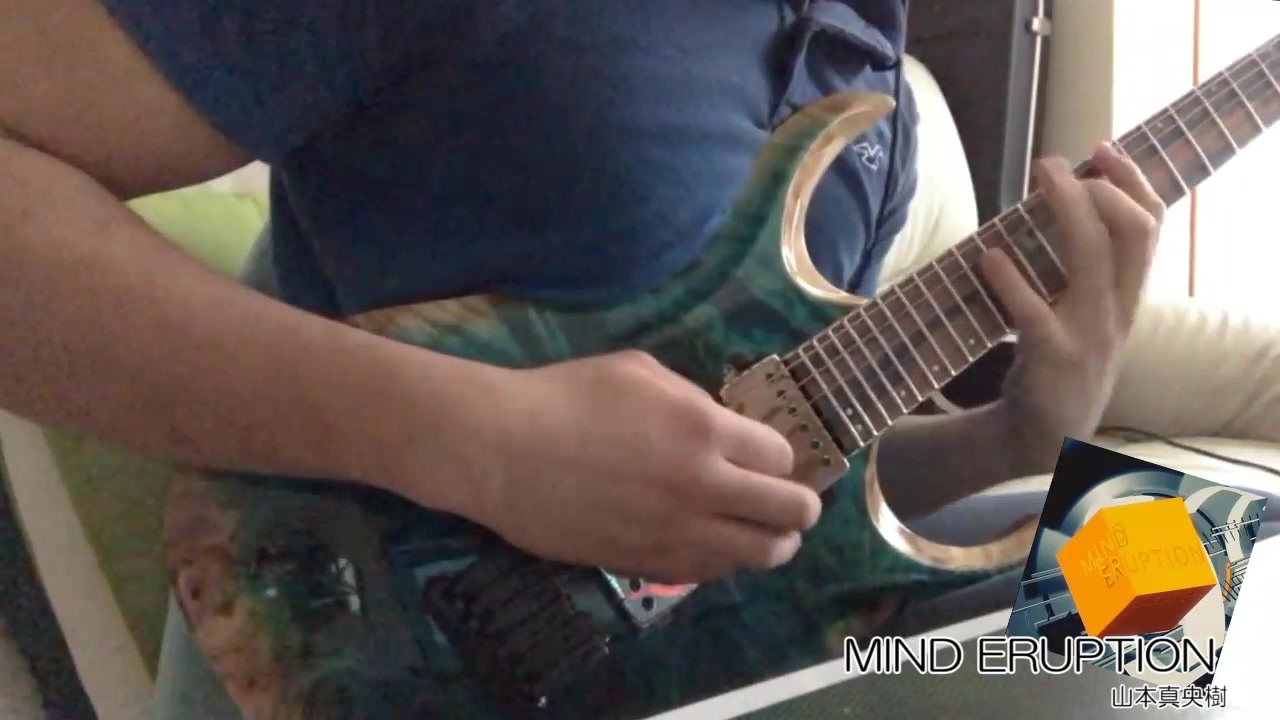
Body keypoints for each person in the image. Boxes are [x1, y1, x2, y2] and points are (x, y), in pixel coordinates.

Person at [0, 0, 1164, 717]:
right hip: (362, 647)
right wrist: (475, 441)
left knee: (1173, 562)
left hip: (682, 651)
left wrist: (1016, 433)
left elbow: (757, 471)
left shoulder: (862, 45)